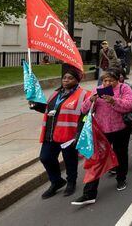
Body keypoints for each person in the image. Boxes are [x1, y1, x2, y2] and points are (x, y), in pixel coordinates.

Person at [72, 68, 132, 205]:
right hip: (102, 131)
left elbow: (130, 105)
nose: (106, 83)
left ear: (117, 79)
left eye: (110, 81)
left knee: (120, 154)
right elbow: (84, 110)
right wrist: (91, 100)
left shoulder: (124, 89)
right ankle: (89, 193)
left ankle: (121, 178)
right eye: (104, 80)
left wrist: (113, 101)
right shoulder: (98, 90)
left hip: (121, 129)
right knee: (97, 159)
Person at [30, 65, 89, 199]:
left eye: (70, 78)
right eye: (64, 78)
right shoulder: (56, 93)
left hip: (69, 135)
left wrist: (79, 133)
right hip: (50, 133)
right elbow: (50, 110)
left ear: (77, 80)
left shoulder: (84, 94)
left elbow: (86, 115)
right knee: (45, 158)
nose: (66, 80)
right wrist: (36, 106)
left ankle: (71, 182)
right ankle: (56, 182)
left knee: (70, 161)